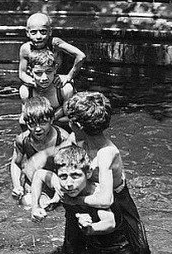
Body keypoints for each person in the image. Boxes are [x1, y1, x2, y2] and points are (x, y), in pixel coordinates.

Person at [30, 92, 150, 254]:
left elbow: (106, 199)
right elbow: (58, 162)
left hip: (116, 208)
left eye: (70, 121)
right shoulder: (76, 139)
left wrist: (73, 200)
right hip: (83, 201)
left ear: (79, 126)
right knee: (72, 248)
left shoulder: (106, 153)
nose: (68, 124)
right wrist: (50, 198)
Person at [32, 144, 134, 253]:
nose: (69, 183)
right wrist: (35, 207)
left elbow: (110, 223)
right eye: (63, 176)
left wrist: (90, 228)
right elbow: (39, 175)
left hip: (110, 246)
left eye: (75, 176)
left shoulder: (96, 194)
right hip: (77, 235)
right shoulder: (61, 186)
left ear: (88, 173)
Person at [10, 95, 70, 206]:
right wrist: (17, 186)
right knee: (27, 203)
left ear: (51, 120)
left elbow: (69, 170)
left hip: (56, 180)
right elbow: (16, 163)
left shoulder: (63, 139)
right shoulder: (22, 140)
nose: (37, 129)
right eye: (32, 124)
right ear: (26, 123)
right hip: (33, 181)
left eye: (43, 123)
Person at [18, 12, 86, 92]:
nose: (38, 36)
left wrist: (68, 76)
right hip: (39, 81)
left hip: (57, 82)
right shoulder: (26, 48)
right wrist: (35, 82)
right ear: (27, 33)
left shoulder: (55, 43)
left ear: (50, 32)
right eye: (33, 32)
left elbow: (80, 56)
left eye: (43, 32)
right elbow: (22, 73)